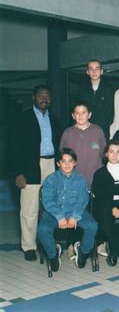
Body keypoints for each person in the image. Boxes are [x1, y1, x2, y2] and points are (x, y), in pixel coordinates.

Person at [12, 84, 63, 261]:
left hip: (52, 165)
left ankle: (48, 242)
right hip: (31, 166)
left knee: (51, 207)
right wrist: (19, 172)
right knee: (29, 208)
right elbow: (14, 148)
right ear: (33, 98)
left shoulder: (55, 121)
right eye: (41, 95)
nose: (44, 99)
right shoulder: (22, 119)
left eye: (47, 96)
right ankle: (29, 246)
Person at [37, 148, 98, 272]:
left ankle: (83, 252)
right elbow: (47, 201)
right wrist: (59, 217)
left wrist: (75, 216)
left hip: (75, 211)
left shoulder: (80, 179)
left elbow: (83, 200)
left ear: (75, 163)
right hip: (53, 213)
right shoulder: (51, 179)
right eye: (63, 161)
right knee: (43, 229)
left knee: (92, 226)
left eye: (70, 161)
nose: (67, 164)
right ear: (58, 163)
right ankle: (53, 256)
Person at [60, 101, 106, 188]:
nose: (80, 116)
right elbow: (61, 158)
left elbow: (104, 155)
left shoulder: (98, 131)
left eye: (83, 112)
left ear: (89, 115)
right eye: (77, 113)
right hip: (74, 180)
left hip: (95, 179)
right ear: (73, 116)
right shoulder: (67, 133)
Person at [78, 59, 114, 140]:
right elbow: (79, 110)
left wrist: (96, 128)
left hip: (102, 131)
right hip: (84, 129)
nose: (94, 72)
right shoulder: (82, 89)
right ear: (87, 72)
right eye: (91, 69)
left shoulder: (109, 89)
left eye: (97, 69)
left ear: (101, 71)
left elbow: (110, 113)